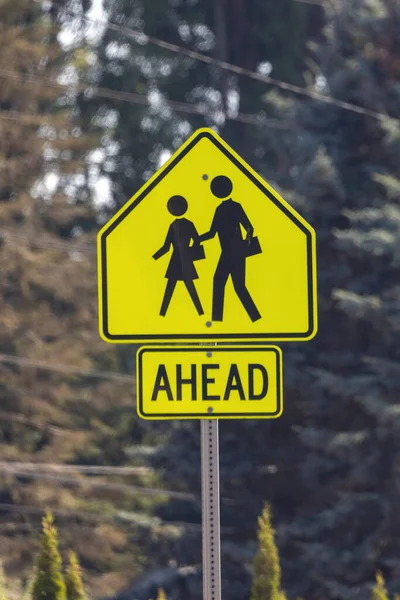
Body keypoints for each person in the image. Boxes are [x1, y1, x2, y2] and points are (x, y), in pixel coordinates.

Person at [200, 175, 261, 322]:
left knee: (232, 285)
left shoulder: (231, 207)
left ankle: (253, 317)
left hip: (234, 252)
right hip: (229, 252)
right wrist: (197, 239)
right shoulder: (221, 209)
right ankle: (219, 320)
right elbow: (213, 233)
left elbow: (249, 227)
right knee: (228, 284)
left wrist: (246, 244)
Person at [153, 195, 204, 317]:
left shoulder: (174, 225)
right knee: (178, 287)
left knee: (178, 288)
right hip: (182, 259)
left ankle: (163, 314)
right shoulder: (185, 224)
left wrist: (154, 257)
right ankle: (200, 312)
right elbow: (197, 240)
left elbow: (166, 247)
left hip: (178, 259)